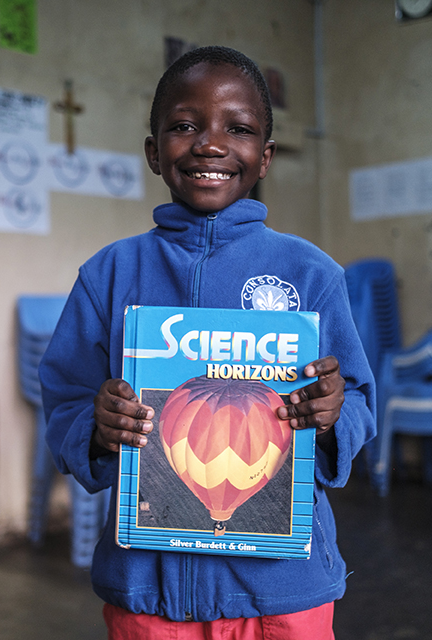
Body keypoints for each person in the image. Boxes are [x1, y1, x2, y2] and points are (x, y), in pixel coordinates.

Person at [40, 45, 376, 639]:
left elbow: (359, 403)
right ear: (153, 151)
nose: (210, 144)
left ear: (265, 156)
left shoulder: (310, 274)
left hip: (282, 592)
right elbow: (64, 398)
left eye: (239, 129)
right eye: (185, 125)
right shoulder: (109, 274)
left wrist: (333, 414)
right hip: (150, 591)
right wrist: (96, 426)